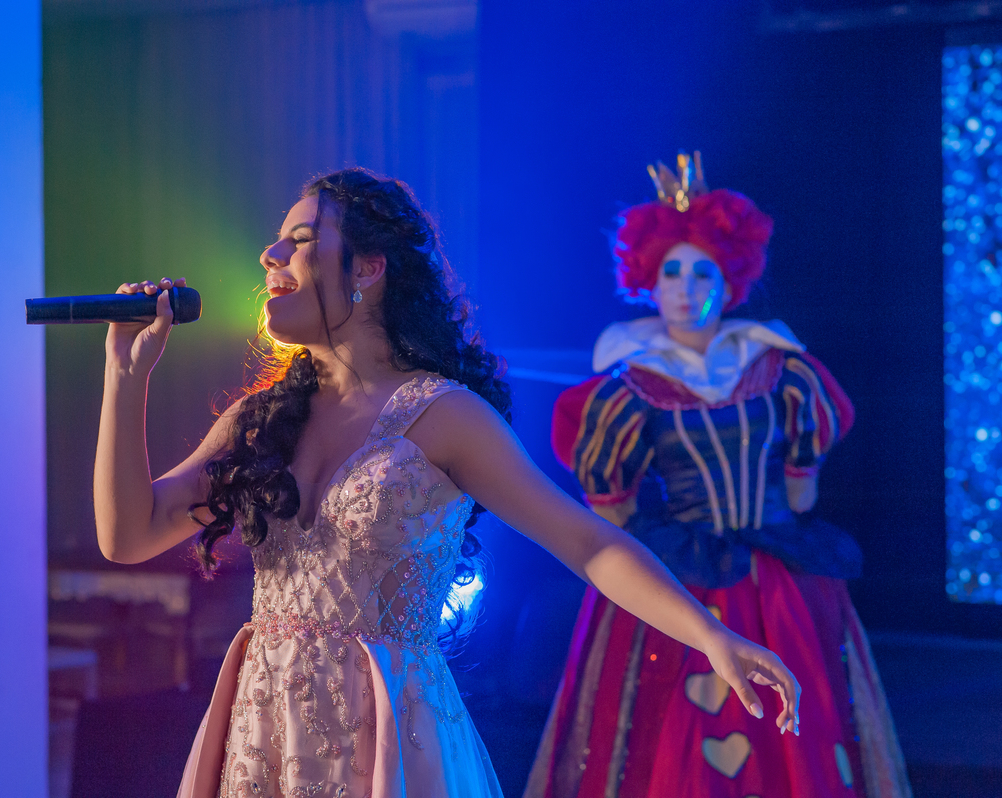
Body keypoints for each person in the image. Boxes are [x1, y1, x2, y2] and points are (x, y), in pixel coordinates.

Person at [92, 167, 800, 798]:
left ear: (369, 268)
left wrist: (709, 634)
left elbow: (587, 542)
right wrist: (125, 378)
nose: (269, 255)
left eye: (300, 240)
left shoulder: (442, 414)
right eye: (276, 242)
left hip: (388, 740)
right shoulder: (260, 421)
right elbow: (128, 535)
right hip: (262, 735)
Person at [524, 154, 911, 798]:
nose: (684, 287)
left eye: (701, 271)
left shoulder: (780, 368)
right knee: (678, 735)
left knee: (799, 729)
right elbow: (608, 513)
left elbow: (801, 490)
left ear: (729, 282)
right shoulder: (630, 384)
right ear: (649, 283)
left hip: (780, 581)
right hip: (681, 576)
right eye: (670, 272)